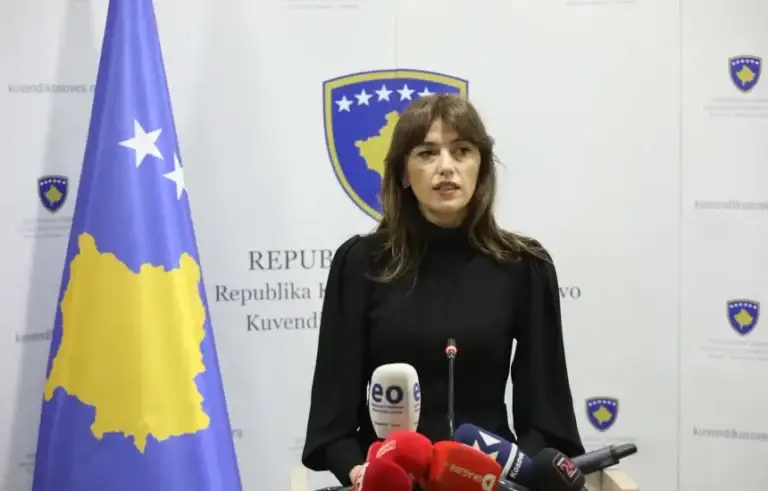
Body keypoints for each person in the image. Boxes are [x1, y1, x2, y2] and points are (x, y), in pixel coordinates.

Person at [301, 93, 584, 486]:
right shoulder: (361, 263)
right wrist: (361, 471)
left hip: (490, 481)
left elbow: (547, 421)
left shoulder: (526, 266)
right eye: (427, 153)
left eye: (462, 151)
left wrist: (514, 478)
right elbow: (332, 424)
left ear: (481, 166)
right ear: (403, 172)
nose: (446, 167)